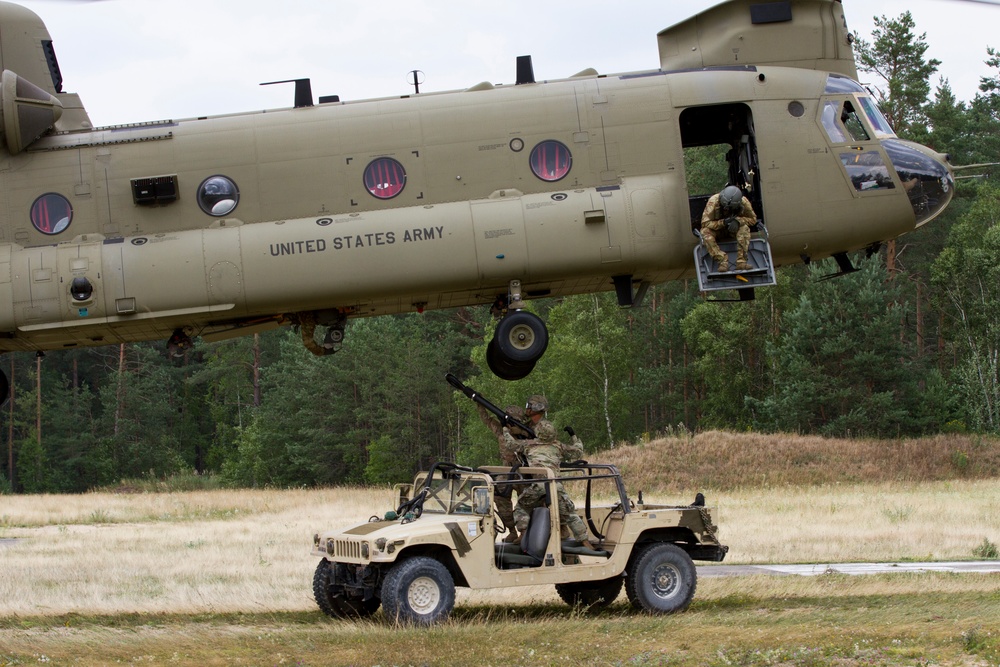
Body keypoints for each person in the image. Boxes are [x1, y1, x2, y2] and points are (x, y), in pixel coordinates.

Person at [503, 394, 593, 550]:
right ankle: (585, 541)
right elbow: (578, 452)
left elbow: (511, 445)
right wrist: (573, 435)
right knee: (569, 513)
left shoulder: (529, 444)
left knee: (521, 508)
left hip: (537, 485)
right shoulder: (558, 446)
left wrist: (505, 429)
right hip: (554, 485)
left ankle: (523, 533)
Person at [476, 403, 528, 542]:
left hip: (524, 471)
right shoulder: (501, 430)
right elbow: (487, 419)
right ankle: (512, 530)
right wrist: (479, 404)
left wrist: (521, 432)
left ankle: (525, 532)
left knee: (527, 502)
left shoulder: (526, 432)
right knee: (499, 496)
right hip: (507, 470)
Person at [700, 185, 757, 272]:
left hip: (733, 231)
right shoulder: (713, 202)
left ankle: (741, 262)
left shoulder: (744, 202)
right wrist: (723, 222)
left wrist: (738, 221)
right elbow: (705, 223)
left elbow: (753, 219)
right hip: (718, 230)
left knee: (744, 228)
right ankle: (722, 261)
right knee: (705, 232)